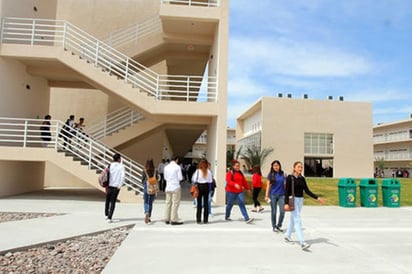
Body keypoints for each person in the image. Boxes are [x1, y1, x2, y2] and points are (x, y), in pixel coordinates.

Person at [284, 161, 324, 250]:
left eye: (301, 167)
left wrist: (317, 198)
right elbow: (286, 191)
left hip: (300, 201)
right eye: (298, 167)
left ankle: (287, 235)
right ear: (294, 168)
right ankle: (302, 242)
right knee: (297, 220)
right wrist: (286, 203)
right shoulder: (290, 178)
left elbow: (307, 191)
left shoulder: (302, 178)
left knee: (293, 219)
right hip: (292, 200)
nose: (300, 169)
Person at [264, 160, 286, 232]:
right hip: (273, 195)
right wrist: (266, 196)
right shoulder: (270, 175)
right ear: (272, 167)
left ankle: (279, 225)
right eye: (274, 166)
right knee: (274, 212)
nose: (276, 167)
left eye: (277, 165)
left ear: (279, 166)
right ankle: (274, 226)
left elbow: (285, 185)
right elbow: (268, 186)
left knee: (282, 211)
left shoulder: (283, 174)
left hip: (281, 195)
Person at [105, 153, 125, 223]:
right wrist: (119, 186)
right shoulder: (121, 166)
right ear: (119, 159)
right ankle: (109, 217)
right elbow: (122, 177)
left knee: (107, 199)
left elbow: (105, 174)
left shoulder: (109, 165)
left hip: (109, 185)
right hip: (116, 186)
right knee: (113, 201)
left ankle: (106, 214)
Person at [192, 159, 213, 224]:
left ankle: (198, 219)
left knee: (199, 203)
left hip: (199, 186)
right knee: (206, 203)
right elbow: (210, 181)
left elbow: (194, 179)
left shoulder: (198, 171)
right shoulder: (208, 171)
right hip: (206, 186)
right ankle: (205, 219)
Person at [164, 156, 184, 225]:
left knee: (168, 203)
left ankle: (167, 218)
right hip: (175, 187)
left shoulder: (166, 167)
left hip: (168, 187)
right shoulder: (177, 167)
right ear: (176, 160)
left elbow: (165, 178)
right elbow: (180, 178)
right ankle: (174, 219)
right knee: (175, 204)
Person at [143, 159, 157, 224]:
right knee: (150, 202)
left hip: (146, 185)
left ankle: (146, 212)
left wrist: (144, 183)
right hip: (153, 186)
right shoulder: (155, 170)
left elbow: (142, 179)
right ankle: (149, 217)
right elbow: (157, 178)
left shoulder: (145, 170)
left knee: (146, 201)